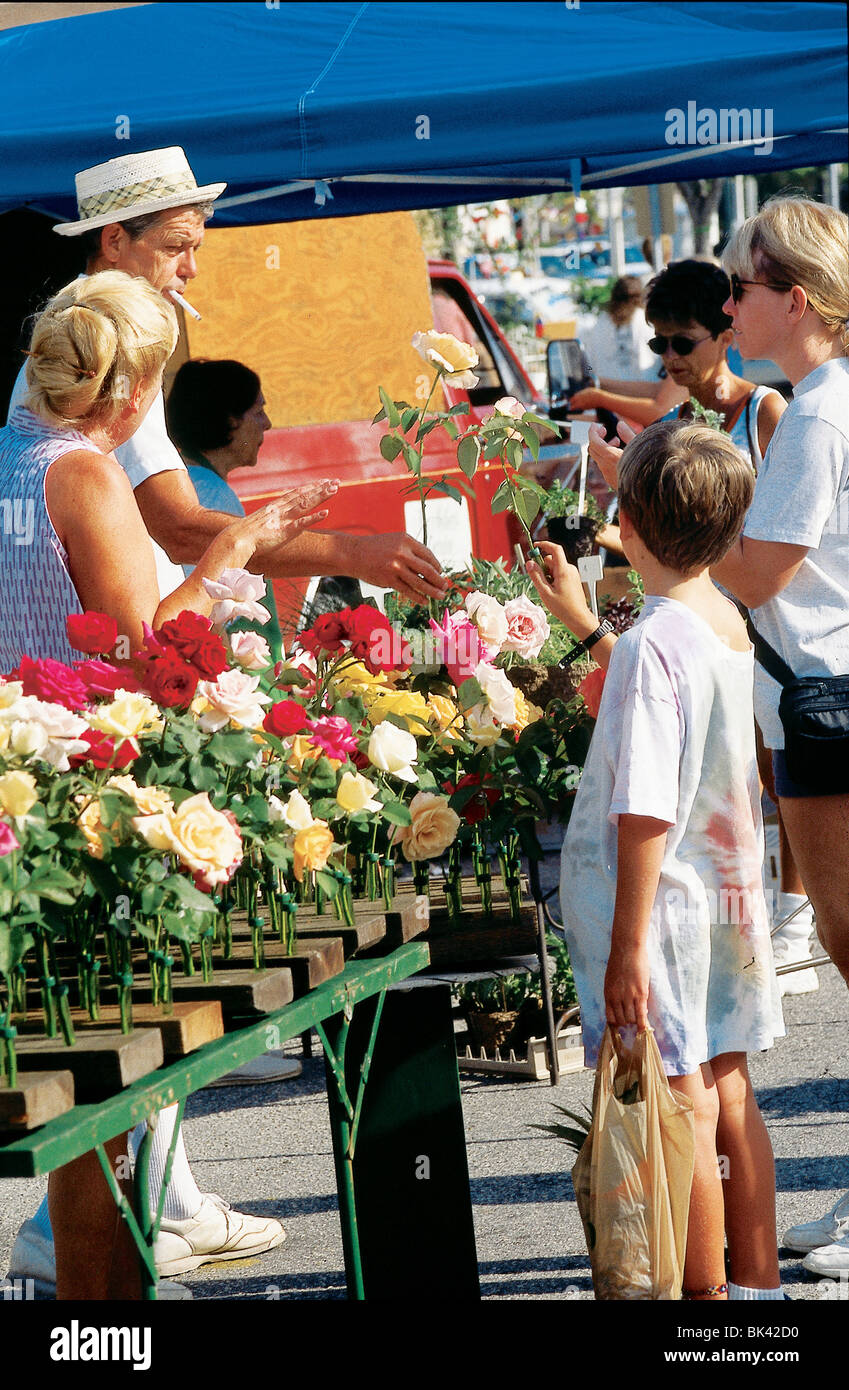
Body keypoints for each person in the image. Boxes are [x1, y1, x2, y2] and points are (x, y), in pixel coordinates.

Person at [0, 271, 333, 1297]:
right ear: (137, 386)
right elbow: (146, 652)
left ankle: (93, 1292)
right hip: (87, 794)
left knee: (73, 1081)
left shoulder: (11, 453)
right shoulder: (87, 476)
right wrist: (236, 551)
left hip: (26, 782)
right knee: (105, 1083)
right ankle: (100, 1306)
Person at [529, 419, 785, 1301]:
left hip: (660, 913)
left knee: (682, 1103)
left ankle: (702, 1299)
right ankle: (757, 1286)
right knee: (728, 1084)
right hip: (723, 900)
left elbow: (642, 804)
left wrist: (627, 947)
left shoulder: (649, 645)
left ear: (624, 525)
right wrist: (584, 621)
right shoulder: (719, 619)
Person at [6, 147, 447, 609]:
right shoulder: (111, 350)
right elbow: (179, 527)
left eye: (196, 248)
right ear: (114, 241)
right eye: (175, 246)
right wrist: (352, 552)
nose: (190, 268)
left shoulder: (73, 334)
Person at [709, 195, 849, 1279]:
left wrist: (653, 567)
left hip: (825, 703)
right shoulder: (824, 400)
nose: (727, 305)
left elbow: (761, 572)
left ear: (792, 297)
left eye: (740, 286)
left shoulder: (815, 412)